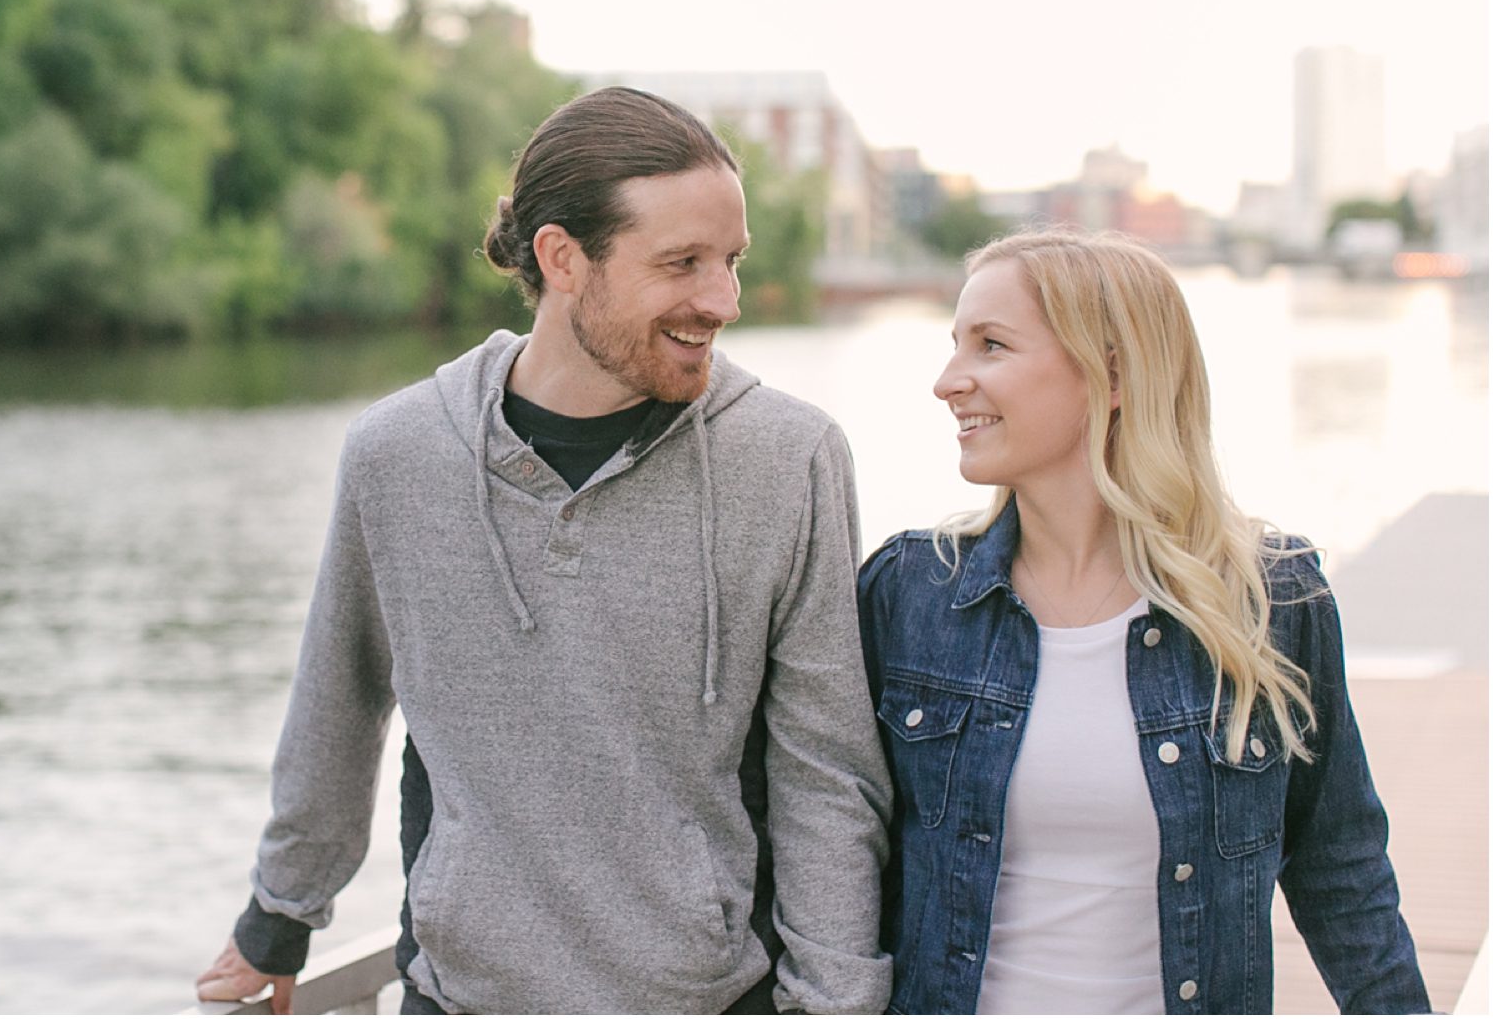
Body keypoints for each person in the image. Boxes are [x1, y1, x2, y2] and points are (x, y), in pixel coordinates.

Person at [195, 87, 892, 1015]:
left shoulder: (789, 457)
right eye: (682, 262)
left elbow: (827, 773)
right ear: (563, 258)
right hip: (461, 997)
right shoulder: (399, 454)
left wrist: (835, 1004)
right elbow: (340, 691)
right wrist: (279, 918)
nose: (722, 299)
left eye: (730, 260)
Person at [857, 227, 1429, 1015]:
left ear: (1113, 372)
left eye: (990, 345)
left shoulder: (1271, 600)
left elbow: (1343, 872)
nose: (948, 381)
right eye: (956, 344)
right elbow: (835, 853)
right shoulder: (909, 592)